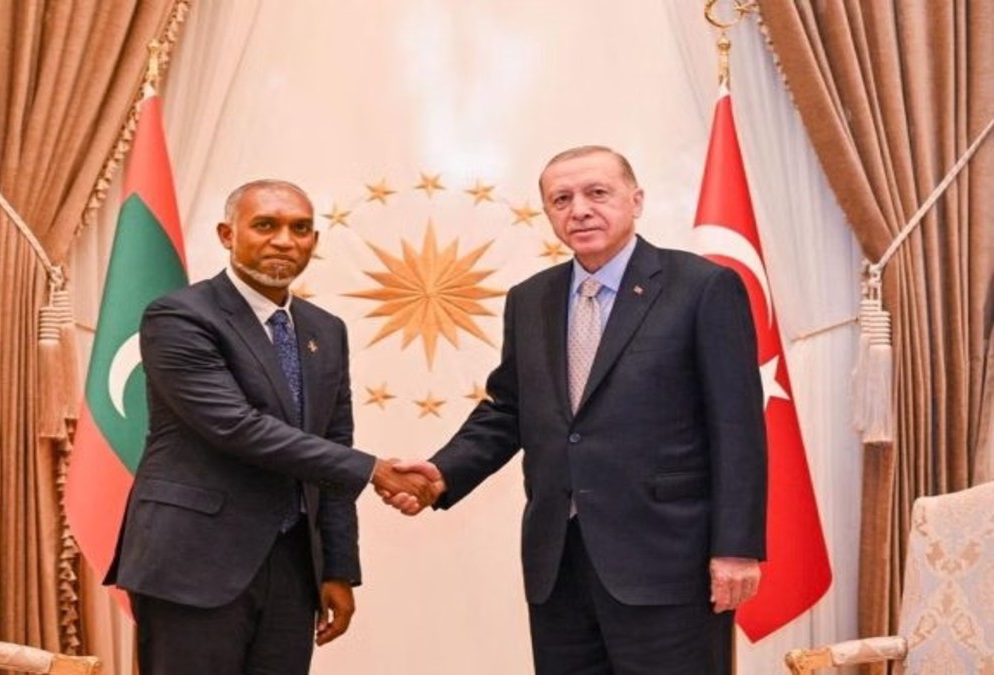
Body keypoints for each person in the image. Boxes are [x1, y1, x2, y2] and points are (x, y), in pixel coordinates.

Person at [387, 146, 767, 674]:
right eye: (561, 199)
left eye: (597, 193)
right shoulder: (530, 298)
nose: (580, 210)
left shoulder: (702, 287)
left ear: (636, 200)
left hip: (667, 562)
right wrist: (442, 474)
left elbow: (738, 426)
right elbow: (508, 409)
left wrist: (736, 548)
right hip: (559, 563)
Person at [106, 179, 433, 674]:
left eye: (300, 229)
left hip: (292, 565)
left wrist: (338, 567)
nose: (284, 240)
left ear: (314, 242)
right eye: (266, 225)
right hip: (193, 561)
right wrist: (375, 471)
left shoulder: (326, 330)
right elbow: (237, 427)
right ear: (226, 234)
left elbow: (332, 446)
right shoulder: (178, 316)